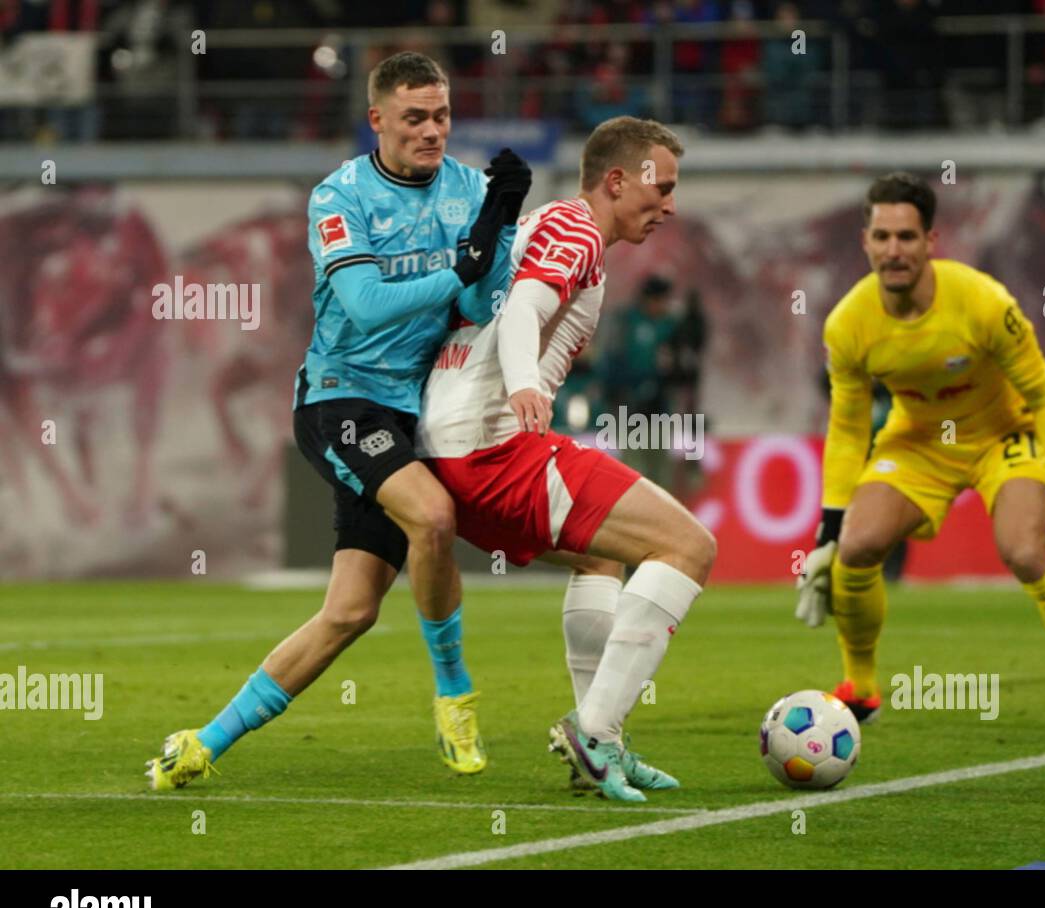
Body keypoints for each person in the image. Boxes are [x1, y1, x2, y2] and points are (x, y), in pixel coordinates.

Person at [146, 51, 530, 789]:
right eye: (414, 118)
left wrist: (498, 225)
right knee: (434, 515)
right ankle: (454, 694)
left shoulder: (471, 190)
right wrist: (466, 260)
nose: (431, 131)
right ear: (377, 120)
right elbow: (365, 306)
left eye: (442, 115)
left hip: (407, 413)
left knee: (350, 612)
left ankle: (203, 741)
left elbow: (482, 309)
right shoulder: (340, 195)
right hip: (339, 397)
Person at [416, 116, 716, 802]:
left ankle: (599, 741)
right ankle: (597, 732)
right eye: (660, 187)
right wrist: (523, 383)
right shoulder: (575, 228)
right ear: (616, 180)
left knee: (601, 556)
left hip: (452, 453)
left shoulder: (553, 228)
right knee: (689, 546)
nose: (670, 205)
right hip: (493, 446)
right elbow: (523, 309)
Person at [796, 172, 1045, 740]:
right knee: (858, 546)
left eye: (907, 238)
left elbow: (1043, 394)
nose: (894, 250)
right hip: (918, 443)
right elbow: (846, 430)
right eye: (883, 237)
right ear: (864, 240)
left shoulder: (984, 303)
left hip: (1001, 438)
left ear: (930, 242)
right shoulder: (848, 325)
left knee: (1024, 552)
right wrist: (827, 532)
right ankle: (860, 686)